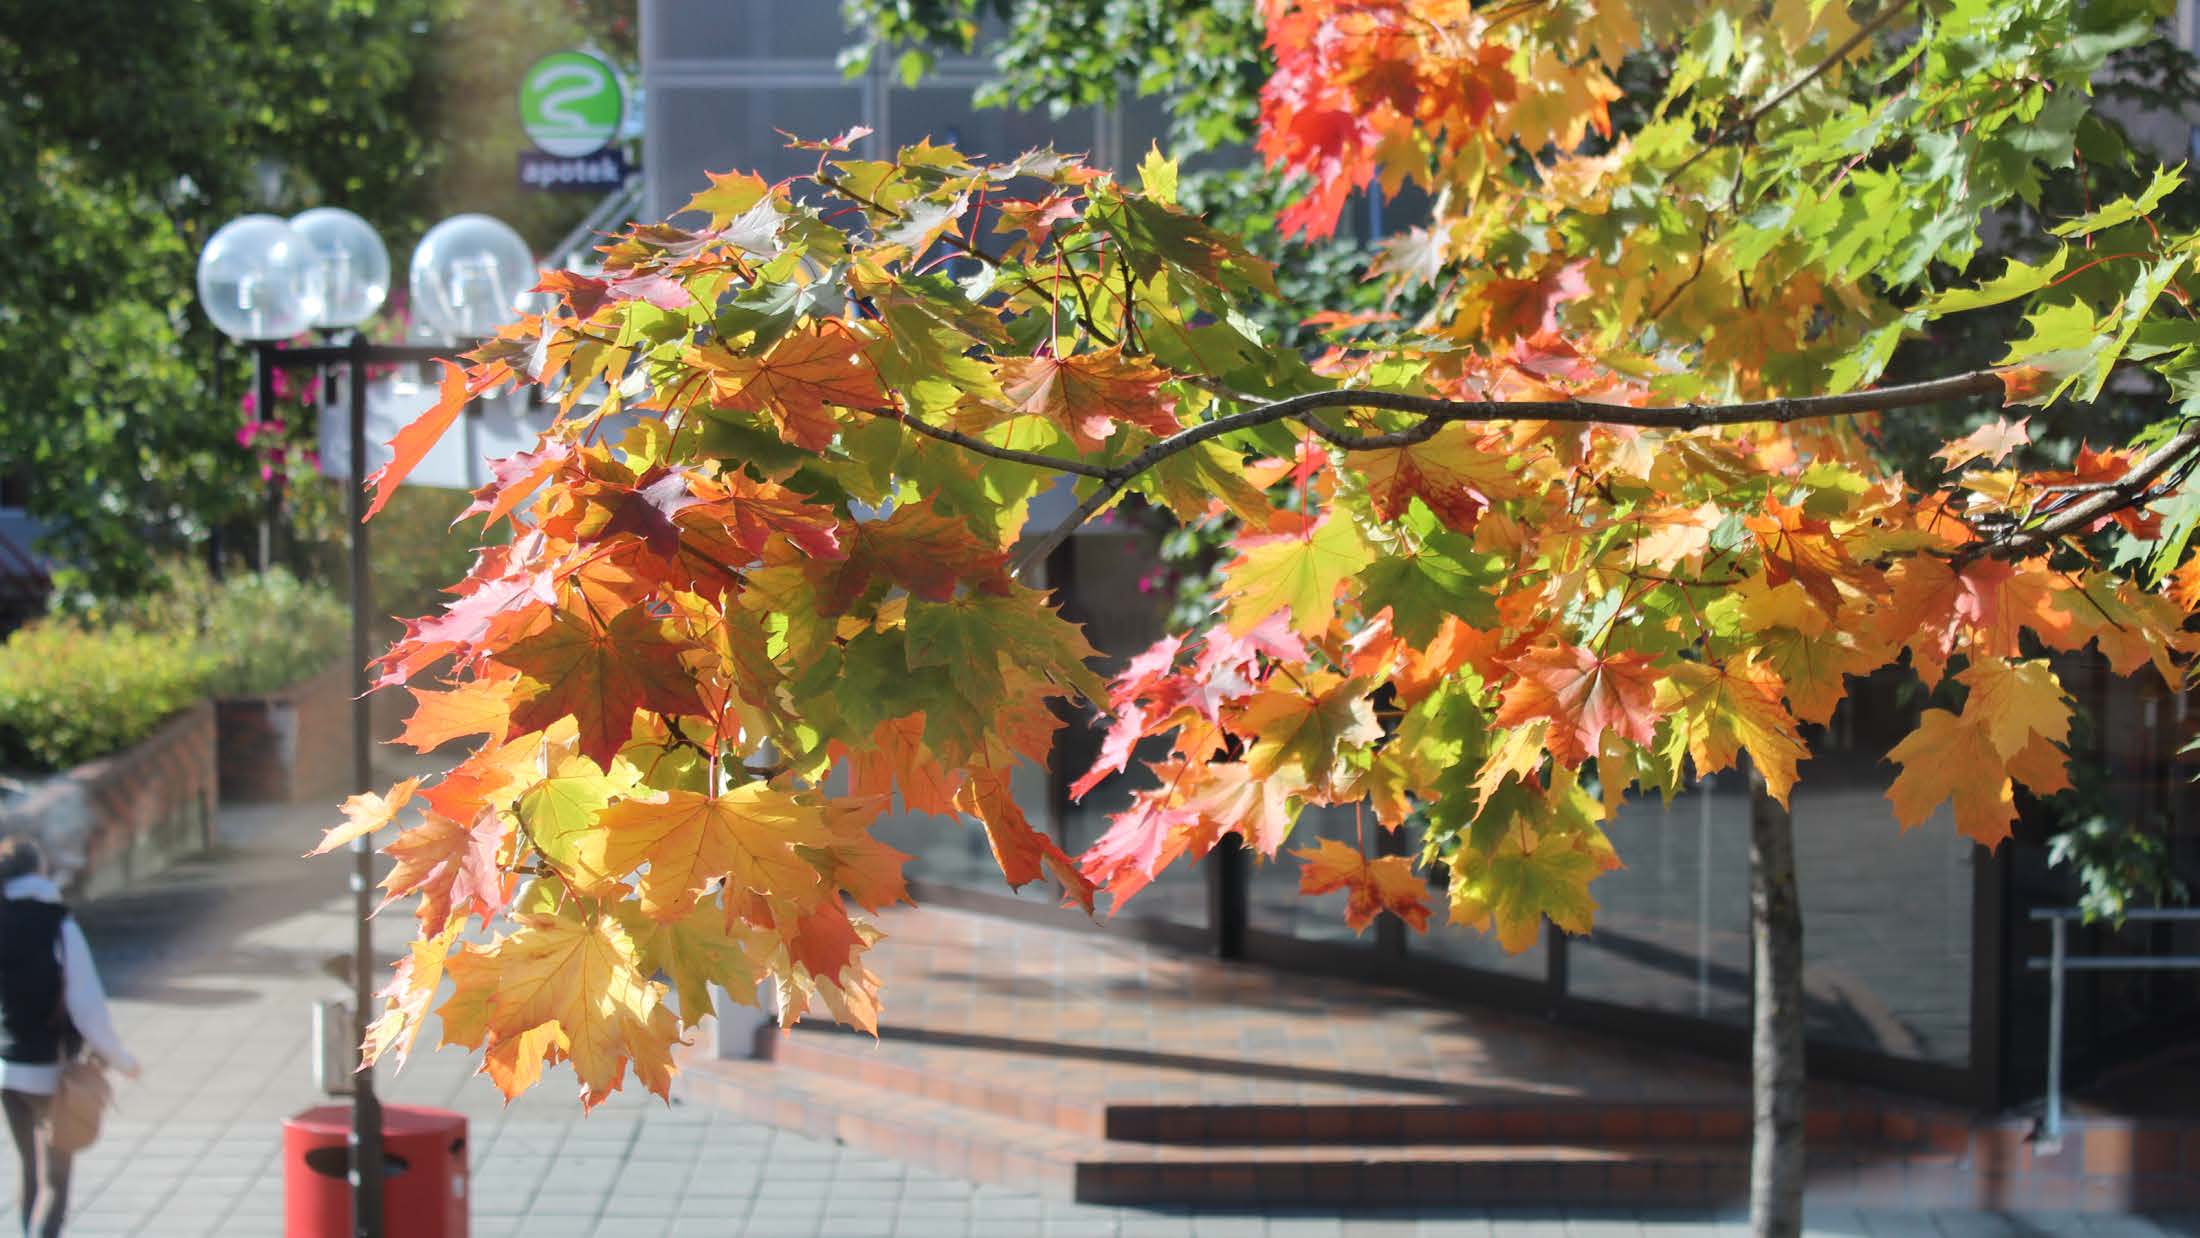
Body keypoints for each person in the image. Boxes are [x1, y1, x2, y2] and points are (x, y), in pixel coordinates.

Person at [0, 837, 137, 1238]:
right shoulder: (56, 922)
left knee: (30, 1170)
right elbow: (86, 1003)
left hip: (5, 1070)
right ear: (40, 872)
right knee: (56, 1181)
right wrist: (123, 1061)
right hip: (47, 1068)